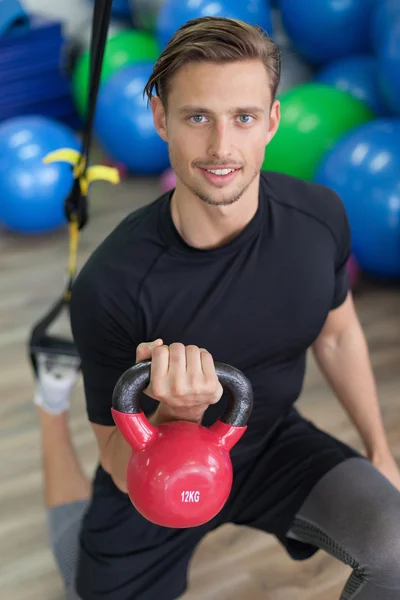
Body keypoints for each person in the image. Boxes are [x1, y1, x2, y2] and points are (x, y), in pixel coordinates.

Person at [34, 16, 400, 600]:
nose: (221, 147)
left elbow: (337, 335)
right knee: (85, 587)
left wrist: (379, 450)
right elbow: (111, 455)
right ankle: (49, 407)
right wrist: (172, 421)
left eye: (244, 117)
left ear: (273, 121)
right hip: (151, 468)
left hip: (273, 445)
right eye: (197, 116)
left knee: (395, 547)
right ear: (161, 119)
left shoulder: (319, 216)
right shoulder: (114, 282)